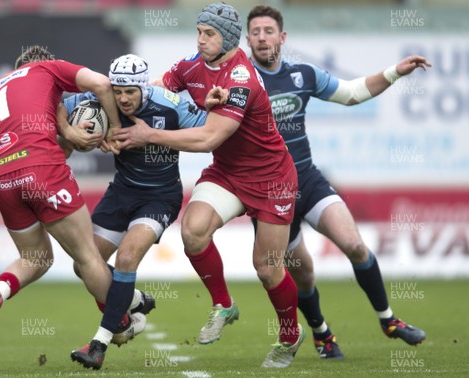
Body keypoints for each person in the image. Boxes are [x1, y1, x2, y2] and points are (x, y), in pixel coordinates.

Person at [115, 3, 305, 369]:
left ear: (229, 38)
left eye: (209, 34)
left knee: (266, 268)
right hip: (229, 173)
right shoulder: (191, 64)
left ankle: (289, 335)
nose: (201, 40)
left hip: (272, 178)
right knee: (193, 231)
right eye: (199, 31)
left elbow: (208, 138)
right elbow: (153, 93)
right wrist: (114, 110)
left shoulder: (242, 79)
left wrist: (150, 134)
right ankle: (224, 305)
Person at [245, 5, 430, 359]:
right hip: (270, 194)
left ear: (282, 37)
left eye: (269, 30)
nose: (263, 37)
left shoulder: (302, 74)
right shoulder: (242, 82)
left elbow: (351, 93)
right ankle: (322, 333)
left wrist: (395, 72)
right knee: (306, 275)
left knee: (355, 245)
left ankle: (389, 320)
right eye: (256, 32)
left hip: (309, 181)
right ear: (248, 39)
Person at [0, 45, 137, 352]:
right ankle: (121, 323)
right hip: (40, 167)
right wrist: (113, 129)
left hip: (2, 177)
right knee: (88, 255)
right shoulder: (47, 68)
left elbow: (42, 132)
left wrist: (68, 133)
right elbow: (101, 84)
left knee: (37, 257)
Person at [58, 54, 208, 370]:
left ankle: (99, 344)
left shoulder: (170, 104)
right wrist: (75, 134)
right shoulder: (98, 100)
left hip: (159, 199)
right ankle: (136, 300)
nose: (123, 98)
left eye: (130, 92)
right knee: (83, 264)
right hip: (120, 194)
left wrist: (153, 135)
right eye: (117, 91)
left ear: (143, 88)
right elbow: (53, 107)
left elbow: (207, 135)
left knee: (126, 258)